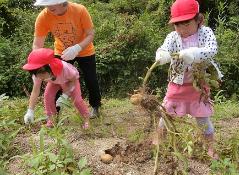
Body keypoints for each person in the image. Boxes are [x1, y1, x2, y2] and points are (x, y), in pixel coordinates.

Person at [154, 0, 223, 159]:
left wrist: (194, 53)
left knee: (202, 117)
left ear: (199, 20)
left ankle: (210, 147)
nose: (181, 29)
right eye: (177, 25)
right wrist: (161, 55)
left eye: (186, 24)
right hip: (176, 84)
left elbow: (212, 50)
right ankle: (159, 140)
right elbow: (164, 48)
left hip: (198, 85)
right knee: (166, 112)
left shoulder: (205, 33)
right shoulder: (173, 36)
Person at [24, 0, 101, 121]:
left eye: (52, 6)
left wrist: (77, 48)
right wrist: (37, 65)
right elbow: (37, 45)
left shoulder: (80, 10)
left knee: (90, 78)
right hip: (61, 52)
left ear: (62, 3)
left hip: (85, 50)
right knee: (55, 80)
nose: (48, 7)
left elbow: (90, 34)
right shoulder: (43, 16)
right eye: (46, 5)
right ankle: (54, 113)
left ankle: (95, 106)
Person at [23, 48, 90, 128]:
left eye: (41, 72)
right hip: (54, 81)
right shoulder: (37, 75)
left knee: (77, 100)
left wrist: (65, 95)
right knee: (47, 96)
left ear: (48, 67)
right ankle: (52, 119)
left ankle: (86, 119)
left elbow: (73, 80)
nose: (39, 76)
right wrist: (30, 111)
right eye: (36, 73)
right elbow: (35, 91)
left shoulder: (65, 69)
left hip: (70, 80)